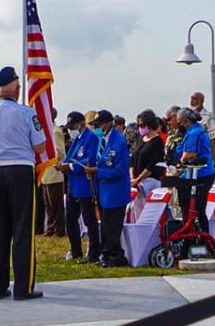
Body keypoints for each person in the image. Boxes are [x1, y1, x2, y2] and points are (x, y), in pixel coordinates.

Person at [0, 66, 46, 300]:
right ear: (16, 87)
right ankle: (23, 287)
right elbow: (40, 146)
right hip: (20, 171)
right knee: (22, 230)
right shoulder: (26, 113)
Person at [84, 110, 130, 267]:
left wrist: (98, 171)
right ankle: (106, 254)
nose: (98, 128)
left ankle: (116, 256)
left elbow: (120, 170)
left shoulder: (119, 142)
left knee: (112, 226)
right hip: (104, 192)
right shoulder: (102, 140)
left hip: (115, 192)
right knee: (105, 225)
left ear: (109, 123)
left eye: (100, 125)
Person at [56, 111, 100, 263]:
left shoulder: (91, 138)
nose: (70, 129)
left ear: (80, 124)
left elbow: (89, 160)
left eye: (72, 126)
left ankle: (93, 254)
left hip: (85, 185)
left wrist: (71, 167)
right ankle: (75, 250)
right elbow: (70, 157)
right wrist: (62, 165)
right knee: (70, 220)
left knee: (89, 220)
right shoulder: (76, 140)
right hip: (73, 186)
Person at [175, 107, 215, 233]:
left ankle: (196, 237)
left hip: (199, 175)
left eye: (179, 122)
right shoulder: (195, 131)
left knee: (193, 209)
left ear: (186, 121)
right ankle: (196, 236)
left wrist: (177, 170)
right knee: (197, 210)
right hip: (195, 175)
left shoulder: (195, 133)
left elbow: (189, 154)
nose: (179, 125)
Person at [41, 108, 66, 237]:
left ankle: (59, 229)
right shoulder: (46, 132)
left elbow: (60, 153)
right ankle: (50, 227)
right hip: (46, 173)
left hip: (54, 172)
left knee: (56, 204)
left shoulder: (55, 132)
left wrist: (47, 153)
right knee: (48, 204)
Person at [130, 109, 165, 196]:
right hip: (134, 182)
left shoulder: (157, 142)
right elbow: (132, 160)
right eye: (139, 125)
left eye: (142, 125)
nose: (140, 128)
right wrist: (132, 178)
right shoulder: (140, 139)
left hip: (149, 181)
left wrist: (139, 179)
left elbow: (152, 164)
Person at [189, 92, 215, 157]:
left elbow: (213, 137)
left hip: (202, 150)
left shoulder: (208, 116)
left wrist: (211, 157)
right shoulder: (188, 114)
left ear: (201, 101)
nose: (192, 101)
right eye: (191, 98)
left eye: (195, 99)